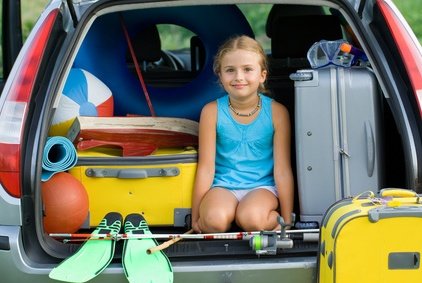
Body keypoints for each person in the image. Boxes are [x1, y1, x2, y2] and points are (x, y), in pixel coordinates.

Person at [191, 35, 294, 233]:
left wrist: (288, 220)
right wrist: (196, 217)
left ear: (262, 75)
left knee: (252, 219)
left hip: (262, 187)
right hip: (222, 186)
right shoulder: (211, 111)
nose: (239, 77)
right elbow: (206, 168)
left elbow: (282, 170)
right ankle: (228, 217)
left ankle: (264, 217)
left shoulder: (277, 112)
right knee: (214, 221)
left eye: (247, 69)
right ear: (220, 76)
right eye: (230, 70)